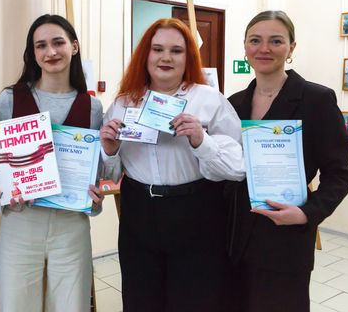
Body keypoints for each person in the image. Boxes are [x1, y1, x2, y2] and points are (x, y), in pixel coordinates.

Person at [99, 18, 245, 311]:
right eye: (158, 49)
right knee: (141, 300)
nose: (166, 57)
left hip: (197, 213)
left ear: (188, 57)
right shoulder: (124, 103)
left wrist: (201, 140)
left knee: (195, 301)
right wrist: (110, 150)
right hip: (139, 213)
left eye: (176, 51)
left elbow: (237, 168)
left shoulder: (209, 100)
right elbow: (110, 173)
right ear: (146, 55)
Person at [226, 10, 348, 312]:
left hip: (284, 240)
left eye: (276, 41)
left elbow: (340, 174)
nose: (264, 49)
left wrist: (307, 213)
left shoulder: (316, 100)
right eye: (255, 40)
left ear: (291, 47)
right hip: (233, 237)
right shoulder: (233, 104)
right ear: (245, 46)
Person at [0, 14, 104, 312]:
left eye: (58, 43)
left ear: (74, 47)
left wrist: (94, 200)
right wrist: (0, 186)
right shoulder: (9, 99)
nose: (50, 52)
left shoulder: (92, 107)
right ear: (32, 53)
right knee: (16, 306)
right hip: (21, 220)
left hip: (71, 225)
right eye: (41, 45)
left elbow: (96, 174)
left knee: (72, 305)